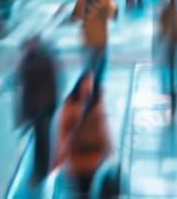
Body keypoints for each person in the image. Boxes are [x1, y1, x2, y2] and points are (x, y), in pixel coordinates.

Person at [55, 71, 112, 198]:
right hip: (77, 168)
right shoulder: (70, 108)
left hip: (94, 165)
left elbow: (103, 131)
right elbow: (63, 138)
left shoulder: (97, 105)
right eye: (85, 85)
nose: (88, 89)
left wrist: (108, 151)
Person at [19, 35, 58, 185]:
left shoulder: (41, 60)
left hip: (43, 107)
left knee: (43, 140)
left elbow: (49, 85)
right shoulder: (30, 60)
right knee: (39, 141)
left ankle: (43, 171)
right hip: (36, 107)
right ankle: (40, 170)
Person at [71, 0, 117, 81]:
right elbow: (113, 13)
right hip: (101, 38)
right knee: (100, 66)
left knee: (88, 65)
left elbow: (75, 17)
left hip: (87, 38)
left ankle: (88, 84)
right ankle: (95, 84)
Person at [158, 0, 177, 102]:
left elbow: (163, 28)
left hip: (174, 43)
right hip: (174, 43)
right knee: (174, 65)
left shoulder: (175, 13)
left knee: (173, 65)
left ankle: (173, 86)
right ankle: (174, 86)